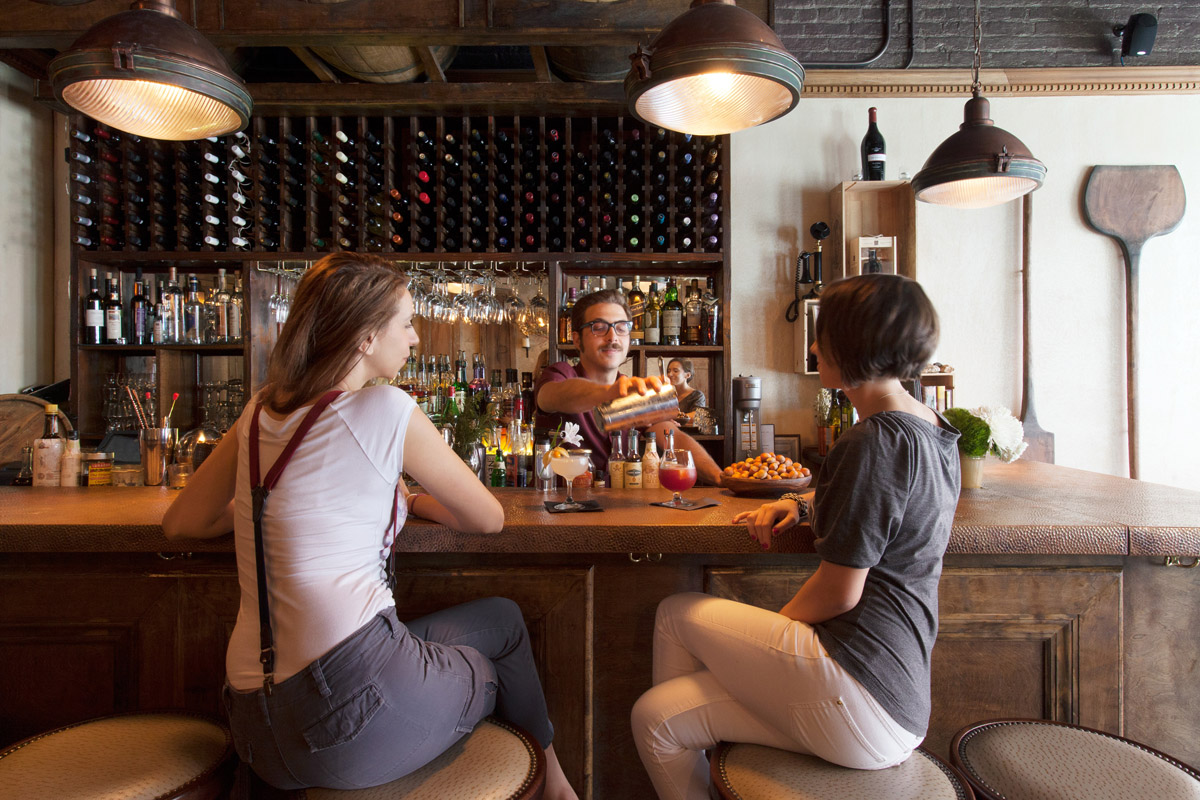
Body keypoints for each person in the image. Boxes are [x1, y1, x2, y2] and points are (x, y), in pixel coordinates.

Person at [162, 253, 578, 799]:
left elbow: (182, 522)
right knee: (490, 663)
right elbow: (488, 517)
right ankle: (559, 790)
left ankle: (561, 790)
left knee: (499, 620)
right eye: (406, 322)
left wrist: (261, 512)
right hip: (346, 721)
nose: (414, 339)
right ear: (363, 336)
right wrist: (414, 500)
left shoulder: (259, 411)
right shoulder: (386, 407)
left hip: (255, 729)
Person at [631, 274, 960, 800]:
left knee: (675, 611)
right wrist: (803, 502)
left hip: (858, 687)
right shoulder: (931, 428)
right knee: (656, 717)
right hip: (900, 703)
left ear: (852, 344)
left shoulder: (871, 441)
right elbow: (890, 503)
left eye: (822, 334)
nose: (812, 346)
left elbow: (839, 592)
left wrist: (767, 648)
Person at [534, 288, 722, 483]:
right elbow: (553, 395)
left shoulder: (633, 391)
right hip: (557, 508)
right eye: (598, 327)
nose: (612, 337)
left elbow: (673, 438)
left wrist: (721, 477)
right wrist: (610, 393)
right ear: (576, 339)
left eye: (621, 327)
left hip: (614, 508)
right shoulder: (560, 374)